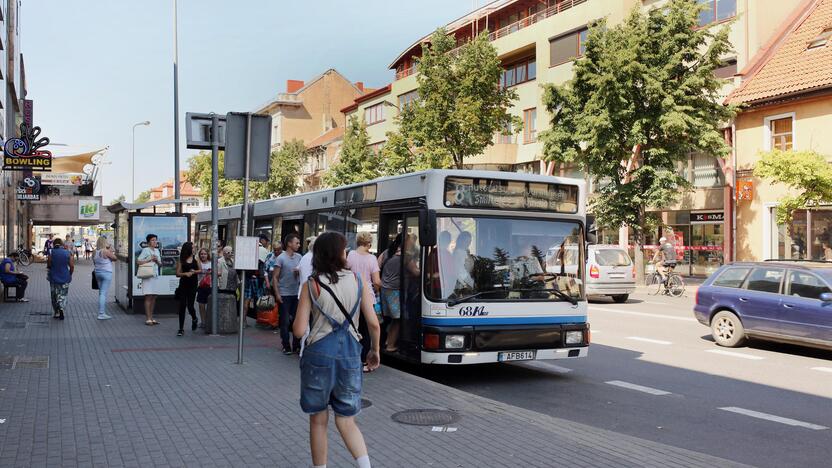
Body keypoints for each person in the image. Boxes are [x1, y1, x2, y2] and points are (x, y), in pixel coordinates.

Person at [293, 231, 380, 468]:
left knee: (318, 420)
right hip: (350, 355)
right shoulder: (357, 280)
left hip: (318, 355)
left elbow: (300, 330)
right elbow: (373, 323)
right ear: (340, 253)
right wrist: (375, 350)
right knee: (347, 420)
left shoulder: (312, 284)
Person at [347, 232, 382, 372]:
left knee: (353, 327)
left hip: (351, 294)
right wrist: (380, 289)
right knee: (367, 329)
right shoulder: (372, 258)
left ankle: (352, 358)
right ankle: (364, 361)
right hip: (367, 295)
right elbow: (377, 281)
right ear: (369, 243)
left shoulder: (350, 255)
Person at [274, 233, 302, 354]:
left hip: (297, 294)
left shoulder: (300, 257)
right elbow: (275, 277)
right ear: (289, 244)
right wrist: (277, 294)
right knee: (285, 321)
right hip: (284, 294)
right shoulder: (280, 258)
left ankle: (296, 344)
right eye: (297, 243)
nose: (299, 245)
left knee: (297, 320)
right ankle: (286, 345)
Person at [175, 241, 201, 337]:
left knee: (190, 306)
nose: (194, 249)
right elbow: (177, 274)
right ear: (188, 249)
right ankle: (181, 328)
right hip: (183, 285)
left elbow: (200, 270)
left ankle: (194, 318)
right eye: (193, 247)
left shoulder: (196, 259)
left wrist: (194, 272)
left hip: (193, 285)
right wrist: (185, 274)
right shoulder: (181, 260)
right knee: (182, 306)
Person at [137, 234, 163, 326]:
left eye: (155, 240)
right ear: (148, 242)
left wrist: (156, 261)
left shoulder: (157, 251)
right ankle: (148, 318)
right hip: (148, 276)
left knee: (154, 297)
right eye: (152, 240)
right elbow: (138, 261)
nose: (155, 242)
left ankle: (151, 317)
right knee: (148, 296)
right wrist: (149, 259)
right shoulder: (145, 250)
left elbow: (160, 265)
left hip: (155, 275)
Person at [47, 238, 74, 319]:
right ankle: (62, 308)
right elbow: (72, 266)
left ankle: (56, 311)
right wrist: (70, 274)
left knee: (54, 294)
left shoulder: (51, 252)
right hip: (65, 276)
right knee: (63, 294)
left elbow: (49, 264)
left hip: (54, 276)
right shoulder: (68, 252)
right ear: (62, 244)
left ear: (54, 244)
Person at [93, 236, 117, 320]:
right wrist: (110, 249)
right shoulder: (106, 251)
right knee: (103, 293)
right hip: (106, 273)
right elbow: (115, 258)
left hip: (97, 273)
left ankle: (102, 312)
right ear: (104, 242)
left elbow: (94, 262)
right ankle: (101, 313)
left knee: (101, 293)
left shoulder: (95, 252)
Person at [195, 248, 212, 328]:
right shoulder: (198, 263)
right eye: (201, 254)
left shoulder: (212, 263)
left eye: (205, 254)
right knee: (201, 305)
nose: (203, 255)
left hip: (210, 286)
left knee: (210, 305)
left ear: (208, 254)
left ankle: (209, 322)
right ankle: (203, 322)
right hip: (201, 286)